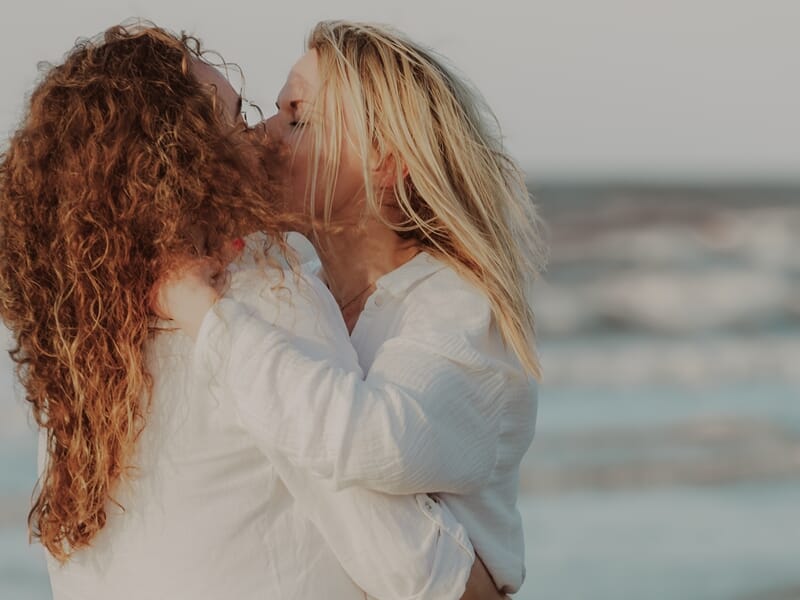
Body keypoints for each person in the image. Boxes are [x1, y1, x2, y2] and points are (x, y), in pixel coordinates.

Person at [0, 23, 501, 599]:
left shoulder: (79, 345)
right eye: (234, 119)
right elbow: (393, 551)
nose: (259, 137)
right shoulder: (268, 297)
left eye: (290, 117)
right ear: (184, 159)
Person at [157, 20, 547, 596]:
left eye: (298, 119)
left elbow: (375, 443)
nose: (263, 135)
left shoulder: (458, 311)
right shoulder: (296, 288)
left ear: (386, 162)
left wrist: (203, 314)